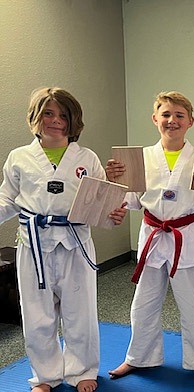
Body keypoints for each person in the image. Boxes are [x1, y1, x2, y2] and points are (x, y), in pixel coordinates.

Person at [106, 91, 194, 385]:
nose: (172, 120)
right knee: (144, 302)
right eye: (165, 115)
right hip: (153, 234)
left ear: (190, 121)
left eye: (179, 115)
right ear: (155, 119)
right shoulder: (140, 158)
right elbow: (132, 200)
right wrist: (114, 178)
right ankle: (138, 357)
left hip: (187, 235)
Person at [0, 87, 126, 392]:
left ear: (73, 120)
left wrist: (112, 217)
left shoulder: (86, 157)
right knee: (36, 314)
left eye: (63, 115)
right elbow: (8, 197)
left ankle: (82, 371)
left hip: (75, 243)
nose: (56, 120)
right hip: (33, 245)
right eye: (48, 113)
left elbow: (99, 200)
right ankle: (45, 377)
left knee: (80, 312)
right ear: (36, 117)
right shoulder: (19, 157)